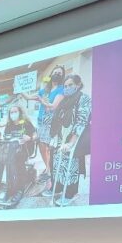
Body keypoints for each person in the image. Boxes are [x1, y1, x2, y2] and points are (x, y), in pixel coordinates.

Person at [49, 74, 91, 206]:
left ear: (78, 85)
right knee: (57, 164)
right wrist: (55, 137)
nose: (67, 88)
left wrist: (72, 142)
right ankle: (59, 187)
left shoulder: (83, 98)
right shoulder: (64, 100)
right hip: (61, 136)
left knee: (71, 166)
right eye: (65, 86)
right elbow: (56, 118)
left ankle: (70, 193)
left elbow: (81, 121)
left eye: (70, 85)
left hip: (75, 138)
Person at [0, 103, 36, 206]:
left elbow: (35, 134)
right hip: (11, 149)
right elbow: (6, 136)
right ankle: (5, 185)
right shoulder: (9, 125)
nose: (13, 114)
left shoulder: (26, 123)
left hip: (25, 148)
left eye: (15, 112)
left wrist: (29, 138)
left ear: (19, 112)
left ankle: (20, 189)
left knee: (18, 159)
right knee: (4, 159)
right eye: (11, 112)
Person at [33, 65, 66, 182]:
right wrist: (21, 92)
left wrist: (42, 100)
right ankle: (48, 167)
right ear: (51, 74)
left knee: (48, 147)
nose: (57, 74)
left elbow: (53, 107)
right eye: (55, 72)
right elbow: (32, 97)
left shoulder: (61, 89)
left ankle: (49, 169)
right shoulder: (45, 90)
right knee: (41, 145)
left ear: (62, 76)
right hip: (41, 121)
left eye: (60, 73)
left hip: (51, 123)